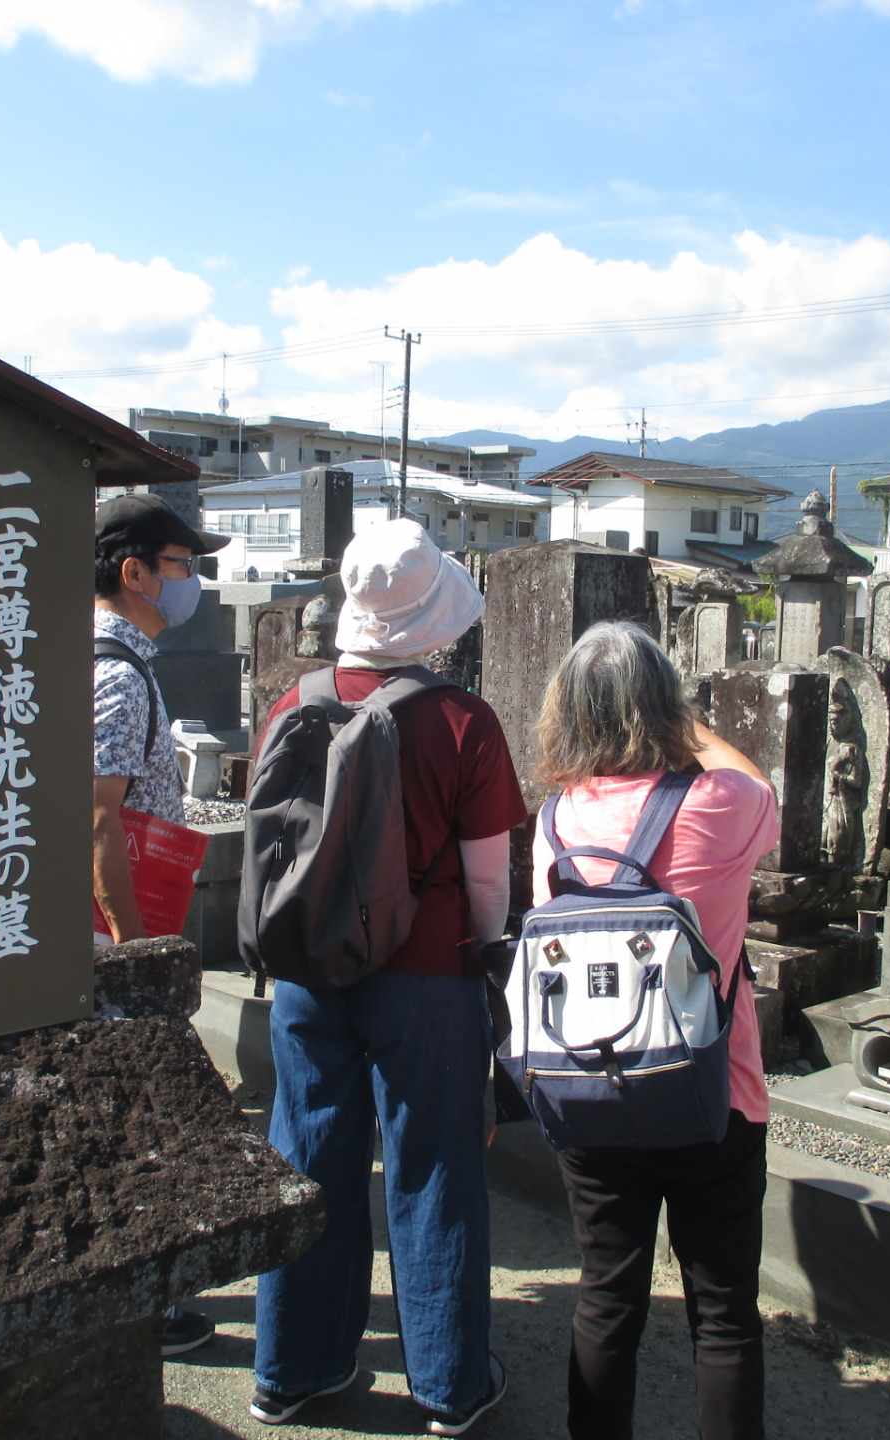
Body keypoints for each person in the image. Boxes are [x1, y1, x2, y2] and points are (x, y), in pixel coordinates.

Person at [249, 519, 524, 1435]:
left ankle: (290, 1370)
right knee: (433, 1166)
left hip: (308, 969)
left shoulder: (295, 705)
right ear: (431, 616)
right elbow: (491, 879)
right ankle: (448, 1385)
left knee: (307, 1155)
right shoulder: (461, 721)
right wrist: (488, 972)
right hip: (427, 970)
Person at [532, 621, 779, 1440]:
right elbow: (764, 789)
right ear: (662, 704)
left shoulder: (557, 823)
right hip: (716, 1091)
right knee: (725, 1310)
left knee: (606, 1293)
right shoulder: (725, 804)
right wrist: (696, 726)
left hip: (593, 1089)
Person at [92, 492, 229, 1356]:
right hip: (112, 932)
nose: (193, 582)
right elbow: (97, 820)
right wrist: (138, 946)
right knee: (132, 1124)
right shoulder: (116, 674)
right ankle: (140, 1306)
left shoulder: (99, 659)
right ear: (133, 570)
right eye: (182, 564)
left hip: (106, 922)